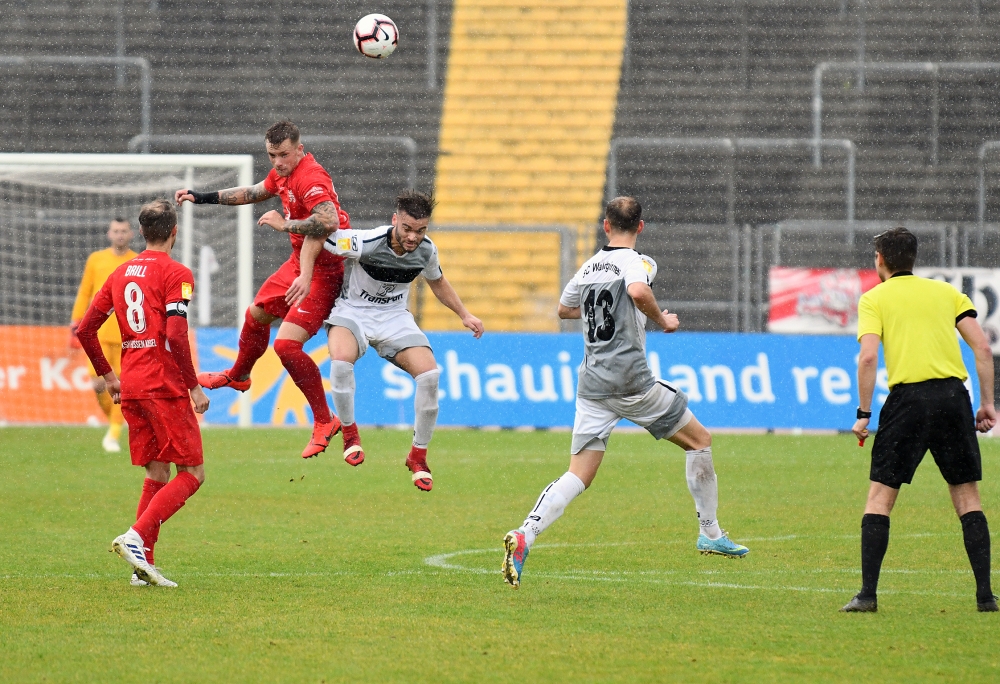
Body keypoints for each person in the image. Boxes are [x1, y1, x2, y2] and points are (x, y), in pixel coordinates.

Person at [501, 197, 749, 589]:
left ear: (605, 226)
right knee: (699, 440)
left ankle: (524, 534)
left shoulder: (587, 266)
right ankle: (711, 533)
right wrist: (662, 318)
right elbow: (636, 291)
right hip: (631, 383)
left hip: (592, 385)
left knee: (578, 474)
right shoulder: (635, 261)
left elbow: (564, 310)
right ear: (641, 226)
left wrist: (601, 309)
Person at [843, 226, 998, 613]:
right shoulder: (946, 293)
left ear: (880, 259)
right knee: (967, 497)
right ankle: (985, 596)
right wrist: (987, 404)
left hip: (908, 401)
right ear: (913, 258)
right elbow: (982, 346)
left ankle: (867, 595)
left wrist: (863, 414)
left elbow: (867, 358)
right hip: (952, 398)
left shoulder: (874, 298)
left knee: (880, 497)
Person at [175, 120, 348, 458]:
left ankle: (325, 420)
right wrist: (203, 197)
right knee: (255, 315)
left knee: (285, 346)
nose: (278, 162)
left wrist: (286, 225)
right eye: (272, 155)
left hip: (324, 271)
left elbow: (329, 222)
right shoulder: (282, 174)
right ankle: (239, 375)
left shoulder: (310, 177)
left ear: (299, 148)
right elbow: (253, 193)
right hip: (298, 263)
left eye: (284, 155)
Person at [304, 190, 483, 491]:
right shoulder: (367, 241)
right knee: (340, 362)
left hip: (394, 318)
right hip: (354, 313)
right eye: (407, 229)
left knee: (430, 376)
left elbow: (437, 281)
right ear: (395, 220)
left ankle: (418, 456)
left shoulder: (427, 251)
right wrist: (290, 233)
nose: (413, 237)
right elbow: (319, 234)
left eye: (421, 230)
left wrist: (464, 314)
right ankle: (349, 434)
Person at [76, 199, 210, 588]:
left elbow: (85, 329)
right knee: (193, 472)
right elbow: (175, 332)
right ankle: (137, 536)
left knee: (157, 470)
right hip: (163, 385)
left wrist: (108, 375)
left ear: (142, 231)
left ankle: (142, 567)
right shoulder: (178, 273)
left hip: (132, 384)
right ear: (174, 232)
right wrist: (194, 386)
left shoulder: (119, 274)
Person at [69, 218, 138, 452]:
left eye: (124, 231)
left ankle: (113, 434)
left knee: (124, 387)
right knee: (98, 384)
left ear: (131, 234)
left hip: (128, 336)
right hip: (97, 334)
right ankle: (116, 422)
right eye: (116, 231)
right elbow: (84, 291)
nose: (119, 235)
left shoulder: (136, 262)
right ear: (109, 233)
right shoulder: (96, 260)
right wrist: (75, 321)